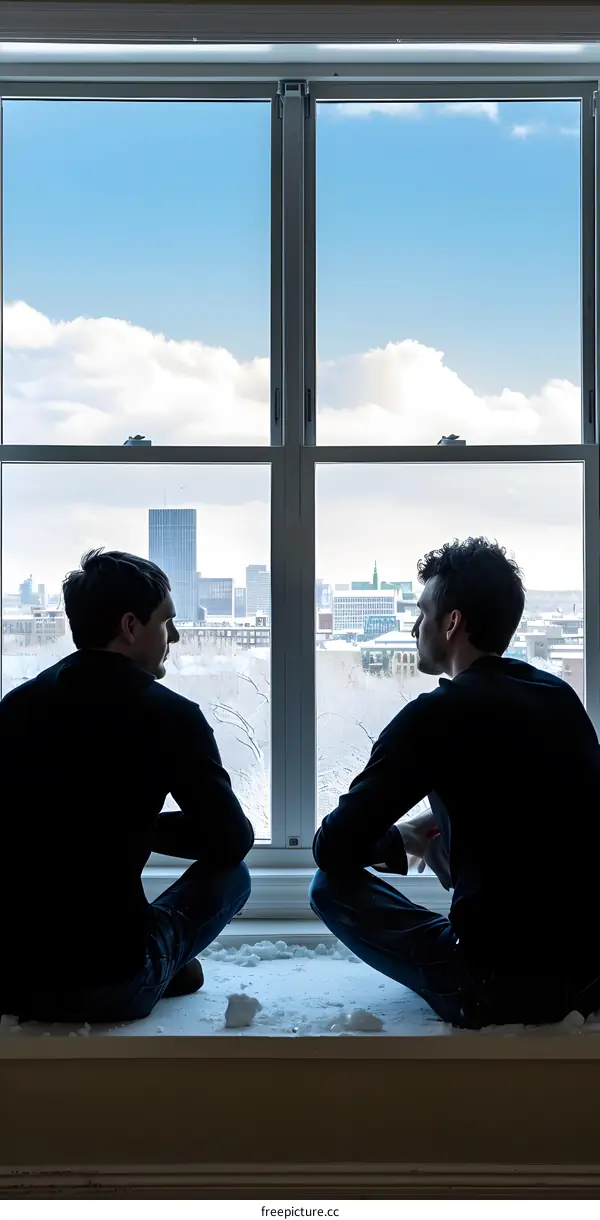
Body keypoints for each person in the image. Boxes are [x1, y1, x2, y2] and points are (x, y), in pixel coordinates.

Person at [311, 537, 600, 1029]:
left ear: (452, 622)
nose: (413, 626)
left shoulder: (435, 716)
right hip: (592, 974)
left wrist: (400, 839)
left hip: (498, 987)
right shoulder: (557, 696)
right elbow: (536, 809)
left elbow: (333, 848)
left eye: (422, 612)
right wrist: (440, 821)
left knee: (327, 888)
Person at [0, 550, 254, 1023]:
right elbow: (231, 841)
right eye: (166, 622)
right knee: (234, 877)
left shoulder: (15, 706)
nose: (174, 636)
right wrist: (134, 823)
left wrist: (106, 821)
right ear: (132, 626)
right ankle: (163, 965)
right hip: (109, 983)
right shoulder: (170, 715)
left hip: (12, 981)